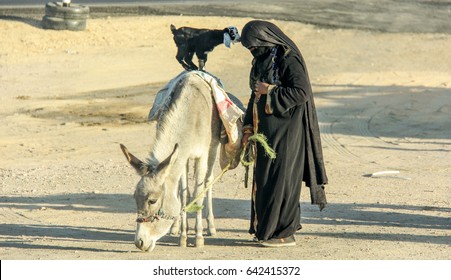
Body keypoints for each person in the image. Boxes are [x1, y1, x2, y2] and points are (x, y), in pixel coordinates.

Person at [240, 20, 328, 247]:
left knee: (283, 181)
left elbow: (301, 92)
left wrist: (270, 90)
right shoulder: (260, 61)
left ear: (263, 40)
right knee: (265, 180)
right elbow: (254, 96)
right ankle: (266, 231)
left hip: (288, 135)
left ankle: (284, 233)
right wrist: (248, 128)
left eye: (253, 46)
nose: (251, 51)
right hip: (264, 135)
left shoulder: (289, 59)